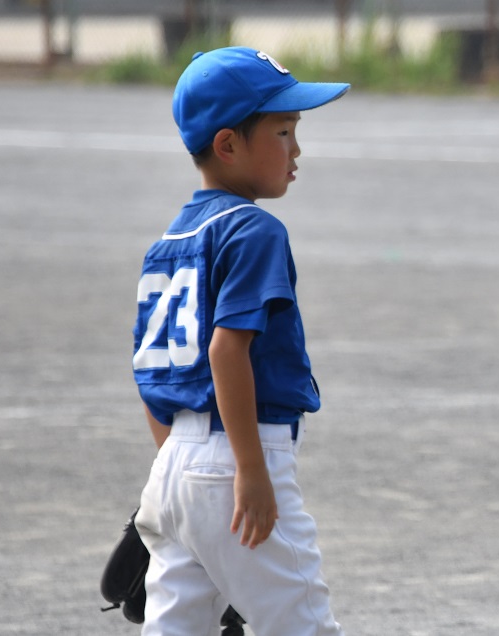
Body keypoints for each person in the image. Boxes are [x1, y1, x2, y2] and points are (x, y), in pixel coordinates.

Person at [130, 46, 349, 636]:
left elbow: (153, 375)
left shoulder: (169, 243)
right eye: (282, 131)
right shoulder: (254, 229)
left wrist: (176, 471)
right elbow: (227, 351)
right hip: (238, 455)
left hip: (173, 462)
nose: (296, 149)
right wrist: (248, 470)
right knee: (301, 623)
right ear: (228, 145)